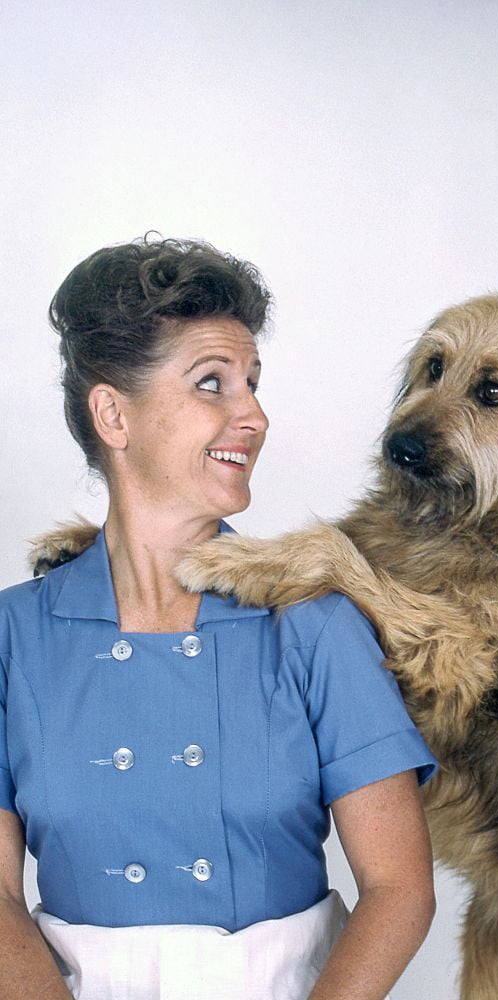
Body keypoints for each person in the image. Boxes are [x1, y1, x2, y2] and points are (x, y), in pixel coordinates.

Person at [0, 237, 437, 1000]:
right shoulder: (14, 638)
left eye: (253, 384)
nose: (255, 416)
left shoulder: (313, 624)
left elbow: (401, 889)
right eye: (213, 384)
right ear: (113, 414)